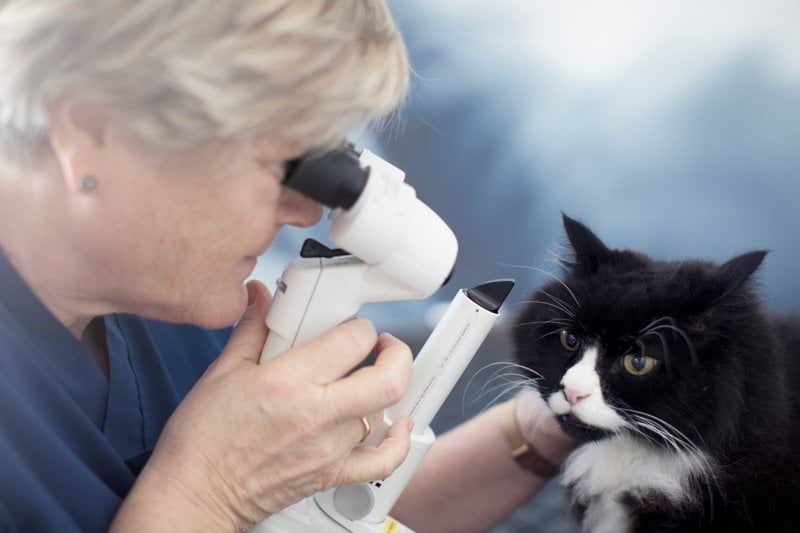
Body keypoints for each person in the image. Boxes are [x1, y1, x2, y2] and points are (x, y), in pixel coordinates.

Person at [0, 1, 572, 531]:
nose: (306, 212)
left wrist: (543, 430)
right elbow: (235, 494)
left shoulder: (160, 298)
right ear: (89, 132)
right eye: (283, 161)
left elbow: (319, 513)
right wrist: (212, 489)